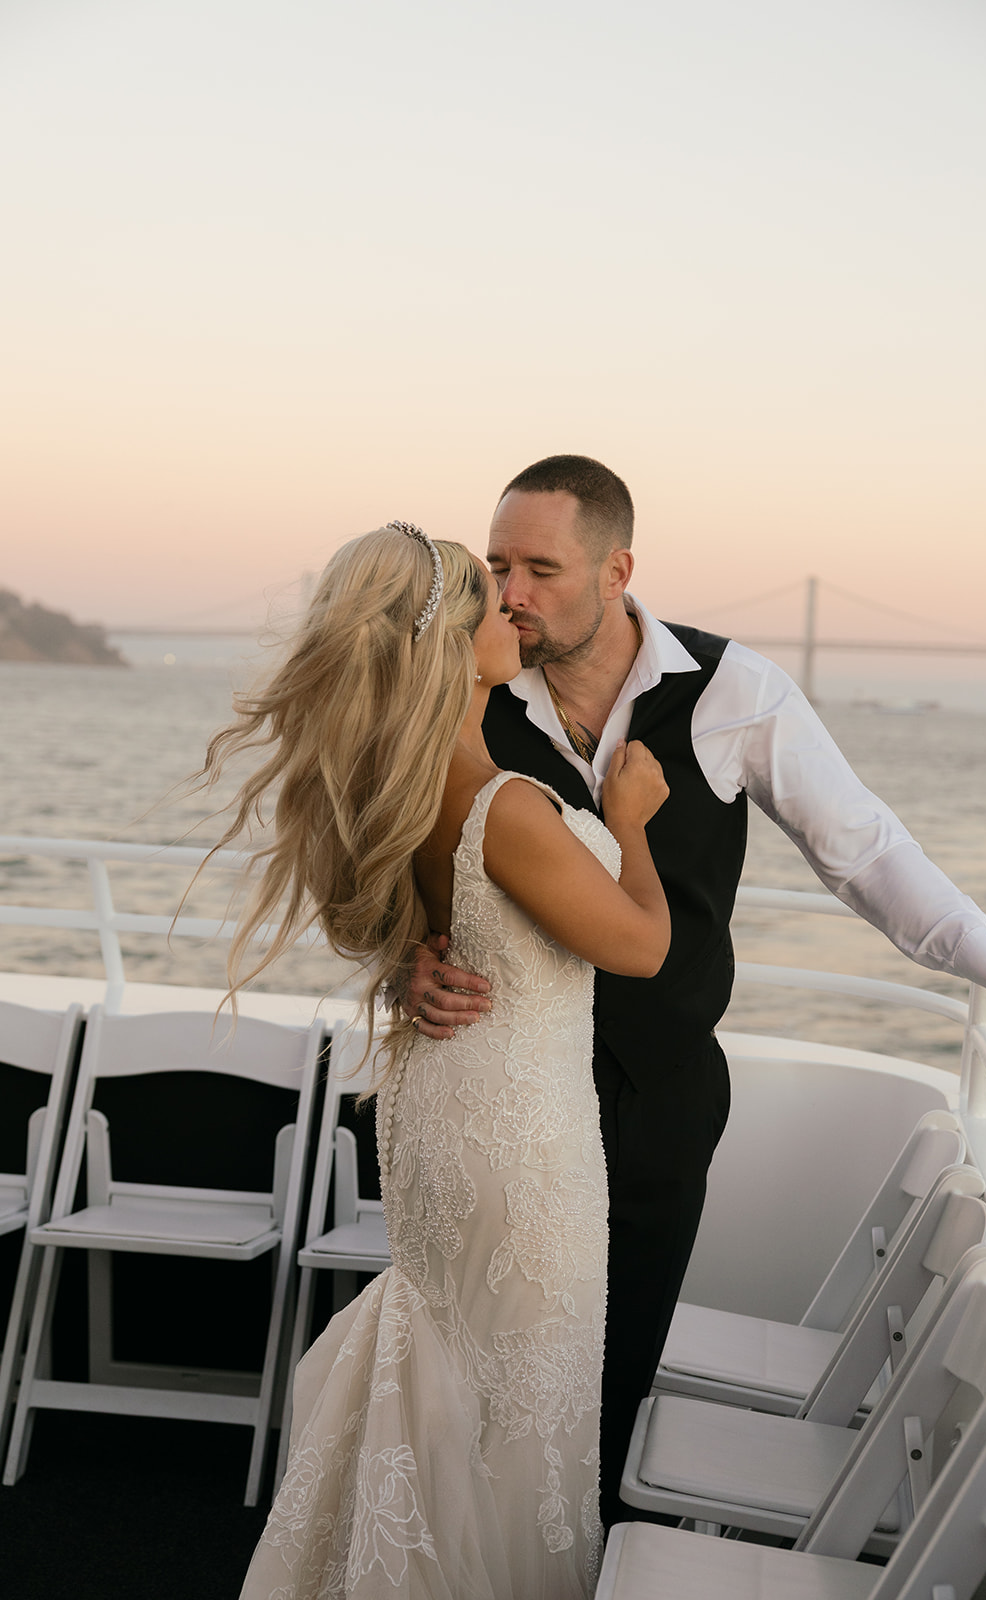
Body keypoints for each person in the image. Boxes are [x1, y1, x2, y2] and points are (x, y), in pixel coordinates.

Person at [404, 454, 986, 1529]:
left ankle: (575, 1565)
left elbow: (861, 848)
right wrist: (408, 958)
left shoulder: (736, 691)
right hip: (506, 1093)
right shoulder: (469, 689)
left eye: (539, 567)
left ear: (615, 568)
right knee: (478, 1360)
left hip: (656, 1096)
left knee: (607, 1377)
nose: (510, 594)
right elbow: (400, 853)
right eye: (496, 565)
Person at [208, 522, 670, 1600]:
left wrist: (401, 968)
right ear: (447, 645)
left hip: (441, 1109)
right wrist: (632, 822)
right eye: (486, 599)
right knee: (517, 1409)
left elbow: (400, 926)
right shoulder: (502, 803)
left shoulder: (402, 787)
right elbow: (641, 947)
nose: (512, 608)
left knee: (463, 1372)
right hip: (518, 1144)